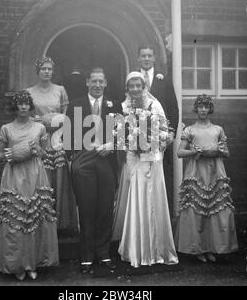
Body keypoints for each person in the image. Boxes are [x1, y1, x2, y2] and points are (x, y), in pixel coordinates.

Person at [0, 90, 59, 281]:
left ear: (30, 106)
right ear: (15, 107)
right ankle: (18, 265)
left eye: (26, 103)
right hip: (14, 176)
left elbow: (46, 154)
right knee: (16, 220)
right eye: (19, 104)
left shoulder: (39, 128)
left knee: (35, 218)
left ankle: (33, 263)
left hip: (35, 174)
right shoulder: (6, 129)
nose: (23, 107)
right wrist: (16, 152)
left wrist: (37, 150)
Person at [112, 72, 179, 268]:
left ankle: (158, 250)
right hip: (134, 158)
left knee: (154, 198)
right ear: (127, 88)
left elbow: (165, 131)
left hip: (153, 159)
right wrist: (131, 142)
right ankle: (137, 250)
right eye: (131, 86)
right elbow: (117, 133)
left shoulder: (154, 105)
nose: (135, 89)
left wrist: (154, 141)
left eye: (138, 86)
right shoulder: (123, 108)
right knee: (137, 199)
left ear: (144, 87)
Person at [66, 67, 122, 274]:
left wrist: (111, 145)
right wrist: (75, 155)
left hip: (106, 160)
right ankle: (87, 257)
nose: (97, 85)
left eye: (101, 81)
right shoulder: (76, 104)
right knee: (87, 209)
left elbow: (123, 132)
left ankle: (104, 253)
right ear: (87, 82)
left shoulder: (114, 104)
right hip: (84, 159)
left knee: (105, 208)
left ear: (106, 83)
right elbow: (68, 133)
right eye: (94, 81)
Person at [175, 94, 238, 262]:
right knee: (197, 208)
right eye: (200, 106)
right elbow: (180, 152)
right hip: (196, 172)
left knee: (213, 207)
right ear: (196, 109)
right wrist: (194, 151)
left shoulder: (218, 129)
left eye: (206, 106)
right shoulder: (189, 130)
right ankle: (197, 248)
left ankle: (211, 247)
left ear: (210, 109)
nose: (203, 109)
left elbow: (227, 153)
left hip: (215, 170)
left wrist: (218, 149)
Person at [26, 57, 78, 233]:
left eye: (49, 69)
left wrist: (57, 121)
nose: (46, 71)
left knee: (60, 177)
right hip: (39, 137)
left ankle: (62, 222)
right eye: (43, 69)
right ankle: (41, 221)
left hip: (57, 137)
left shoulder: (60, 90)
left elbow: (67, 113)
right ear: (38, 71)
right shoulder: (29, 92)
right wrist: (41, 122)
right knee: (42, 177)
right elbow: (25, 116)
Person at [137, 44, 179, 212]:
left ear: (154, 58)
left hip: (160, 137)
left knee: (161, 174)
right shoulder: (133, 80)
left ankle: (162, 215)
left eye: (149, 56)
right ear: (138, 58)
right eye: (143, 56)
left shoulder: (164, 80)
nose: (146, 59)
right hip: (138, 136)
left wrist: (171, 132)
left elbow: (173, 108)